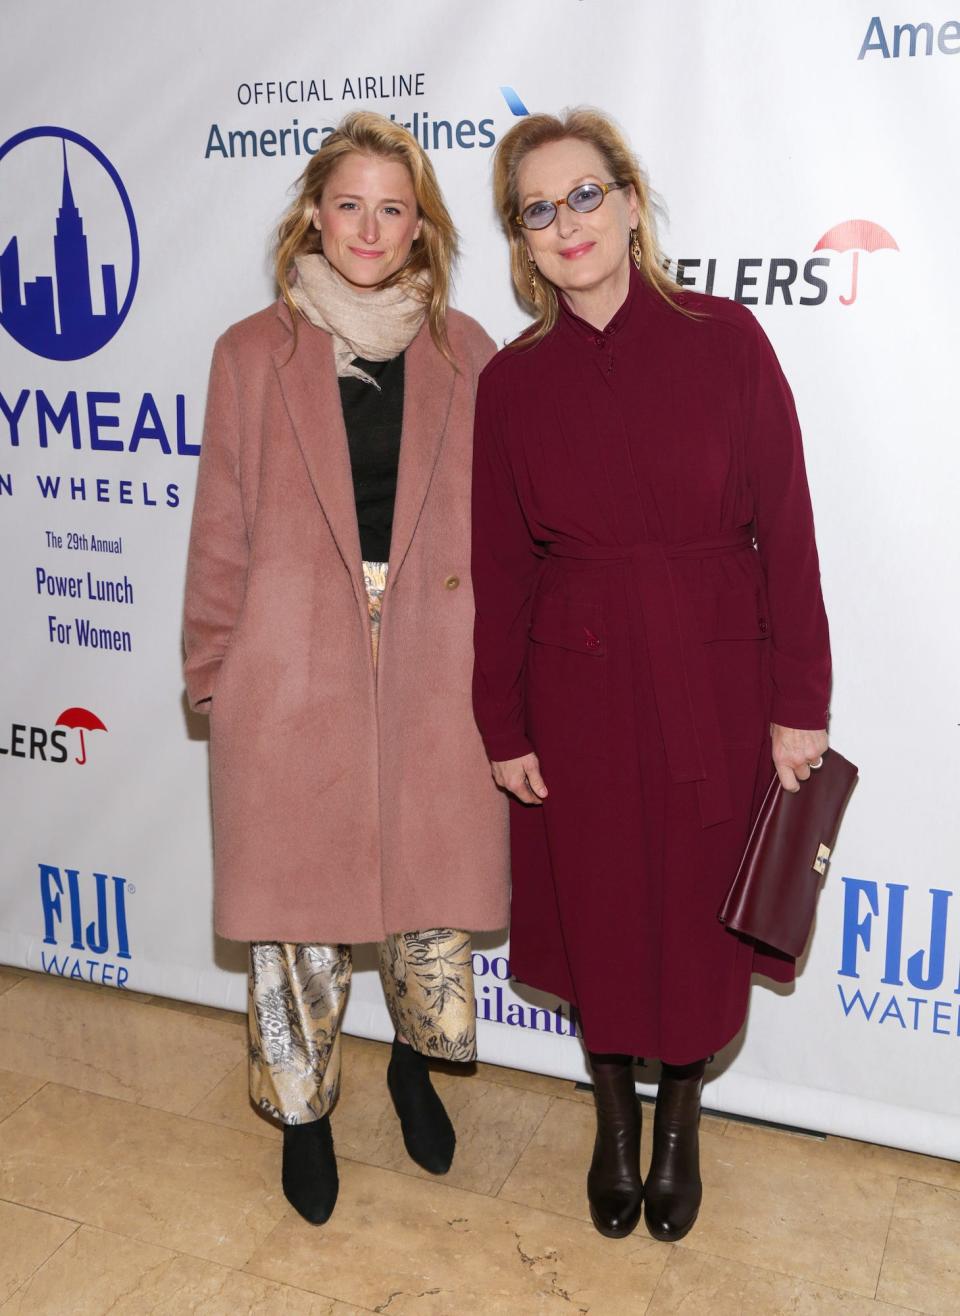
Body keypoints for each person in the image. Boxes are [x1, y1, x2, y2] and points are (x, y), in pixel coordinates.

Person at [471, 109, 831, 1243]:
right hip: (573, 688)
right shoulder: (513, 383)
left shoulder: (729, 339)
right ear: (523, 243)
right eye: (540, 209)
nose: (567, 223)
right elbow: (497, 565)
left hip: (718, 680)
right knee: (602, 909)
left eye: (586, 195)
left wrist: (801, 701)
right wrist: (502, 718)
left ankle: (680, 1117)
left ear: (630, 202)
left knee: (697, 913)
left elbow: (788, 526)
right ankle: (614, 1119)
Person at [183, 111, 507, 1226]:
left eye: (395, 208)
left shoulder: (470, 351)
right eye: (350, 203)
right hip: (292, 659)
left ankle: (417, 1064)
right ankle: (304, 1111)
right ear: (314, 214)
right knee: (296, 919)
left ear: (422, 227)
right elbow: (220, 521)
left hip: (434, 656)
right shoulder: (248, 352)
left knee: (430, 906)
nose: (370, 227)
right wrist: (214, 672)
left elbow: (504, 534)